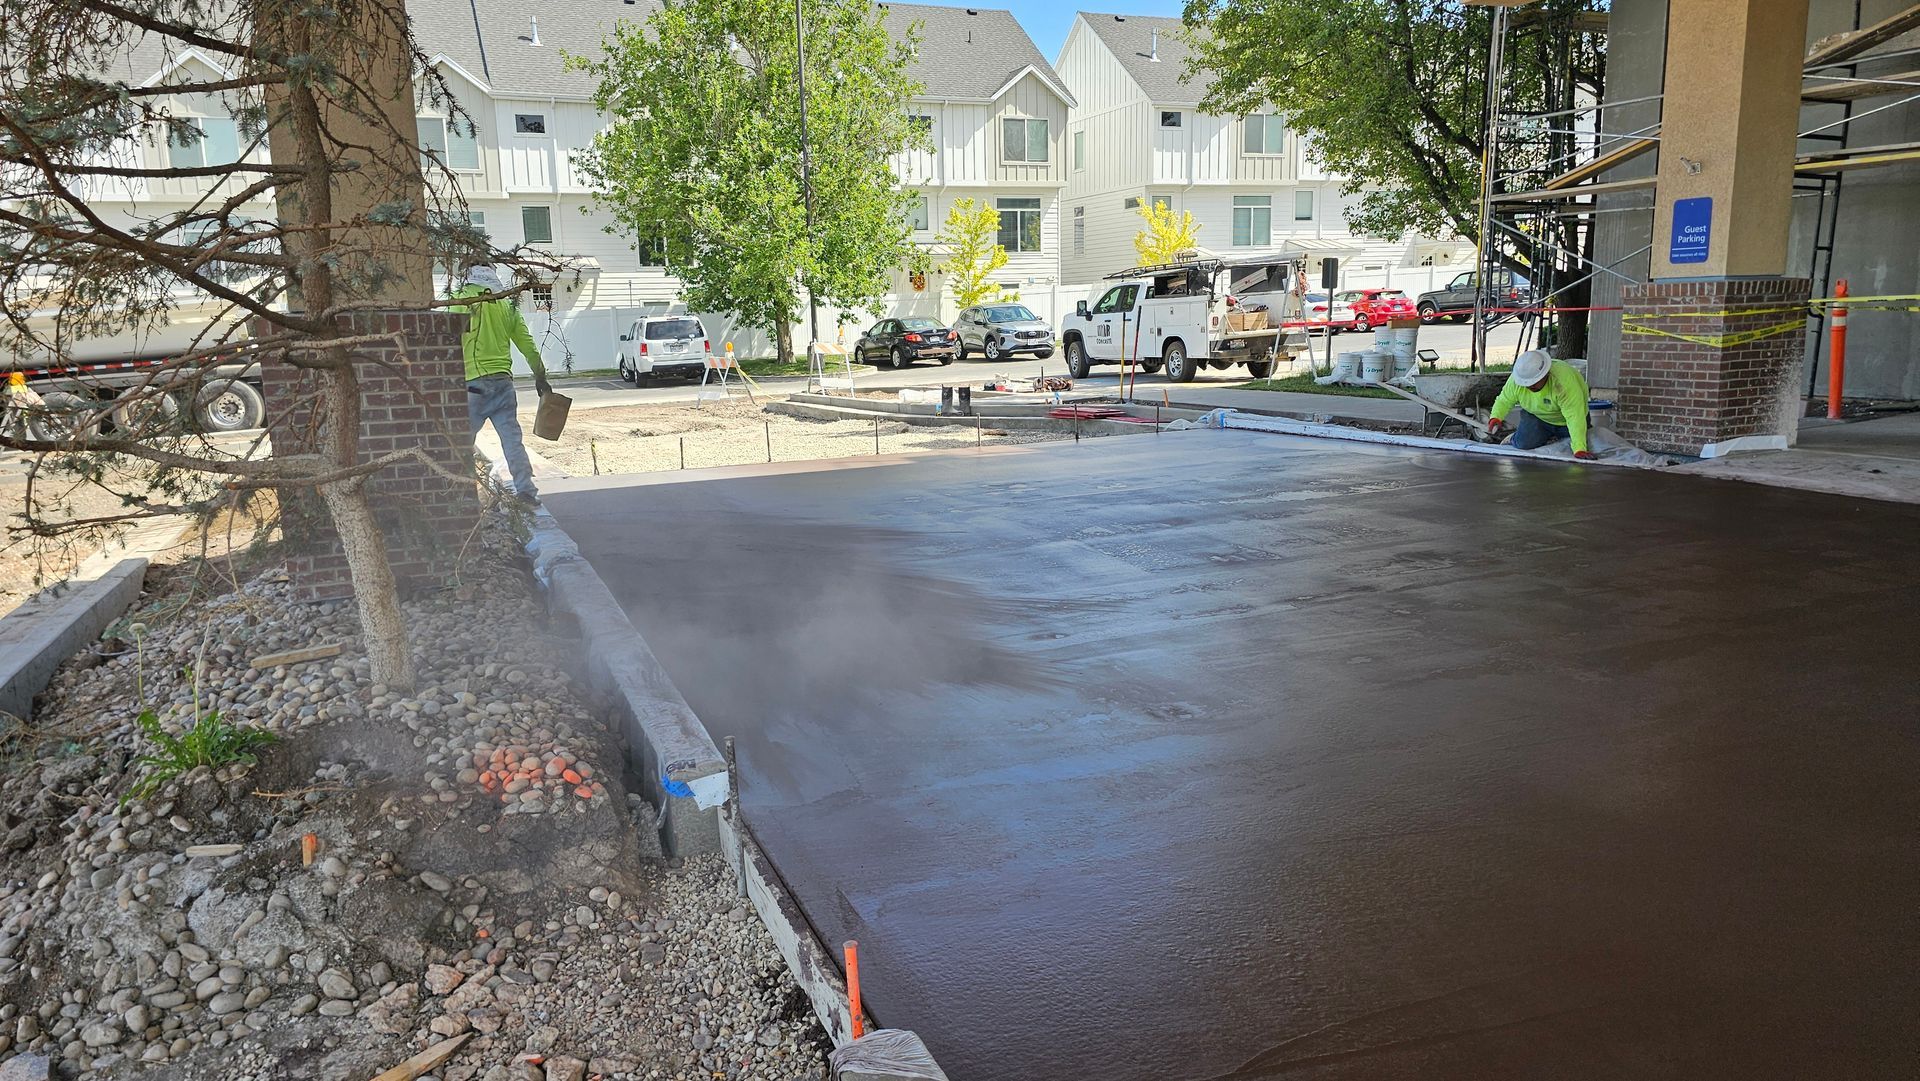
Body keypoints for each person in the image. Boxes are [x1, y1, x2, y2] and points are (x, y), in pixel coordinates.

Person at [452, 266, 551, 501]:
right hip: (503, 383)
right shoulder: (506, 303)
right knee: (512, 441)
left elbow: (447, 337)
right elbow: (526, 343)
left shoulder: (461, 299)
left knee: (461, 443)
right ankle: (526, 491)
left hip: (473, 384)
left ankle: (461, 497)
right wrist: (540, 376)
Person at [1485, 349, 1596, 460]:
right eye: (1527, 383)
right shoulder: (1517, 380)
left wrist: (1579, 448)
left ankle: (1552, 436)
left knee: (1584, 440)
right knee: (1523, 443)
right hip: (1536, 416)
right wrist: (1496, 416)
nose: (1530, 386)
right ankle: (1514, 438)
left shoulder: (1563, 383)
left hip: (1566, 420)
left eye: (1534, 382)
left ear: (1546, 374)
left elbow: (1574, 416)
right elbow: (1504, 400)